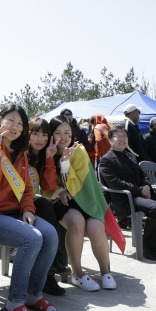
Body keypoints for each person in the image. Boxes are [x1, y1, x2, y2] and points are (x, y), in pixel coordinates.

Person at [0, 105, 58, 311]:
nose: (15, 127)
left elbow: (27, 189)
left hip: (16, 214)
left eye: (20, 124)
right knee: (32, 237)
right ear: (0, 120)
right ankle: (14, 301)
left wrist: (28, 210)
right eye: (11, 120)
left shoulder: (21, 154)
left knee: (50, 234)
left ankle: (34, 294)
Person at [43, 115, 116, 289]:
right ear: (50, 135)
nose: (63, 136)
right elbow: (47, 185)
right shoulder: (45, 152)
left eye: (67, 132)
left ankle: (105, 271)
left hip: (85, 199)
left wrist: (66, 163)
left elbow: (77, 184)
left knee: (96, 227)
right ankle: (77, 273)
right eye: (58, 132)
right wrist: (60, 190)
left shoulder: (79, 150)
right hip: (58, 201)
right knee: (77, 222)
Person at [100, 126, 156, 261]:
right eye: (118, 137)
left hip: (141, 193)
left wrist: (146, 185)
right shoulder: (106, 159)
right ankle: (148, 246)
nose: (122, 139)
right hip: (126, 198)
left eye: (124, 136)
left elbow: (142, 174)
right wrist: (139, 189)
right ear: (110, 140)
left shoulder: (130, 155)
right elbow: (114, 183)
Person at [26, 117, 69, 296]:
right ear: (28, 135)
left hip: (32, 202)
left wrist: (50, 159)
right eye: (35, 134)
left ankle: (49, 272)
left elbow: (49, 186)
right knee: (44, 204)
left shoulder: (44, 156)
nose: (40, 139)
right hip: (16, 205)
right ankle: (53, 266)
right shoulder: (20, 154)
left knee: (50, 206)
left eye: (44, 135)